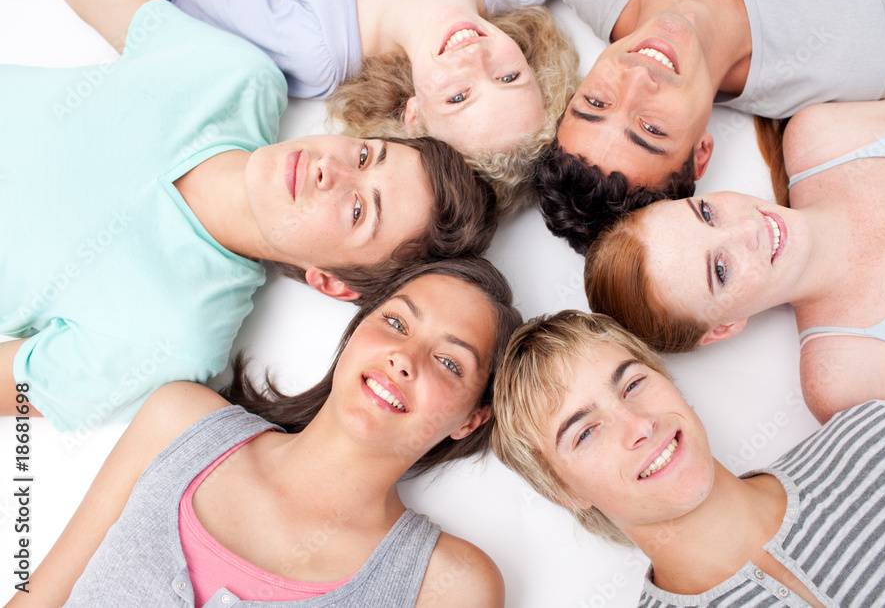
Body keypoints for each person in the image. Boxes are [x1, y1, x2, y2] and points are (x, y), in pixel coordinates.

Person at [0, 0, 498, 432]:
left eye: (358, 211)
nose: (332, 169)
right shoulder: (240, 77)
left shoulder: (175, 339)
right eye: (365, 154)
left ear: (330, 280)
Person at [11, 257, 521, 607]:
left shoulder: (449, 583)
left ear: (472, 419)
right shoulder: (180, 421)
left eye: (449, 362)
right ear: (356, 331)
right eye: (396, 324)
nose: (404, 359)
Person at [584, 79, 885, 445]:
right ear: (724, 327)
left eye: (707, 214)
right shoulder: (841, 377)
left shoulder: (822, 135)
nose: (747, 231)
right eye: (720, 270)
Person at [492, 311, 885, 607]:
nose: (639, 424)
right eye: (585, 432)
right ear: (565, 492)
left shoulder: (884, 438)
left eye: (633, 383)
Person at [535, 0, 885, 253]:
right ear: (701, 154)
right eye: (651, 129)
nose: (637, 79)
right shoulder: (850, 61)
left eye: (596, 103)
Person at [158, 0, 580, 214]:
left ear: (414, 114)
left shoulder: (319, 45)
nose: (475, 58)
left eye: (458, 96)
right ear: (529, 61)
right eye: (508, 76)